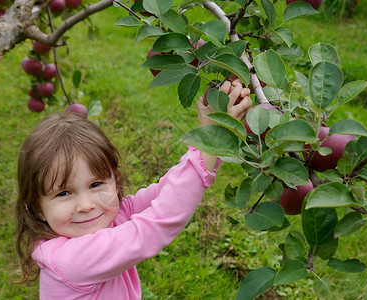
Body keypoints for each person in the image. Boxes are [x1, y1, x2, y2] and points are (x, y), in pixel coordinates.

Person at [15, 80, 252, 299]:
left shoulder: (109, 217)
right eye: (64, 193)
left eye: (96, 184)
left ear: (115, 183)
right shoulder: (71, 260)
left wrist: (211, 143)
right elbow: (158, 222)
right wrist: (209, 142)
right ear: (37, 208)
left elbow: (162, 193)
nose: (86, 205)